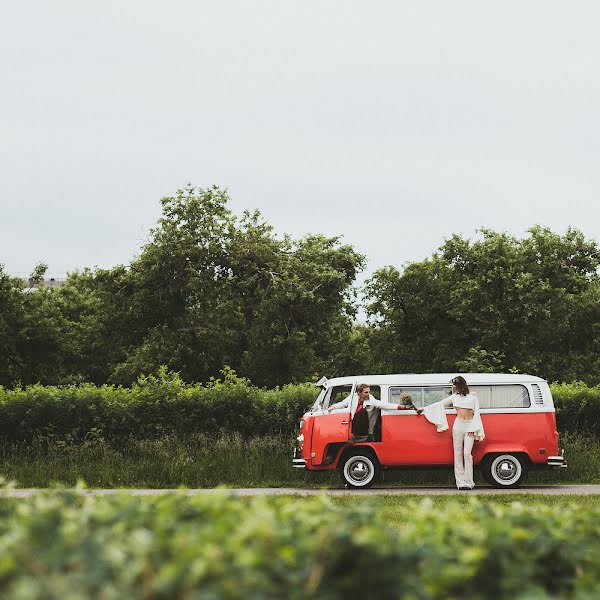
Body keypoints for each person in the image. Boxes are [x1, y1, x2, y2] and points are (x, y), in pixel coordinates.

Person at [422, 375, 485, 490]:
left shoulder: (473, 396)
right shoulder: (453, 397)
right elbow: (439, 404)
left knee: (467, 454)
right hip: (458, 426)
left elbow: (477, 413)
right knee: (458, 454)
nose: (453, 387)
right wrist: (424, 409)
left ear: (460, 385)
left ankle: (469, 482)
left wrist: (474, 428)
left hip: (470, 425)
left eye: (454, 385)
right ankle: (460, 483)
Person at [329, 383, 419, 442]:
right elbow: (342, 404)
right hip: (351, 424)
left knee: (362, 412)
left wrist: (402, 407)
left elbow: (383, 405)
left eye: (369, 392)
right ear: (359, 393)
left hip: (363, 426)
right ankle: (351, 435)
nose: (368, 394)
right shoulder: (353, 397)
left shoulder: (371, 399)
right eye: (365, 392)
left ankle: (361, 436)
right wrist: (332, 407)